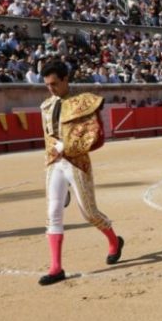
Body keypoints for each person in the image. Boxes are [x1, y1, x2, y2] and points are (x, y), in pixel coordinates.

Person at [37, 60, 123, 286]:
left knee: (88, 212)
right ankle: (56, 267)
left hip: (77, 162)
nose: (51, 88)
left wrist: (65, 147)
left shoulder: (84, 102)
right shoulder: (46, 106)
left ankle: (114, 241)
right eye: (47, 84)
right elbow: (48, 136)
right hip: (53, 164)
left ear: (66, 79)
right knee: (53, 212)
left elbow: (94, 135)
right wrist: (53, 154)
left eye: (54, 83)